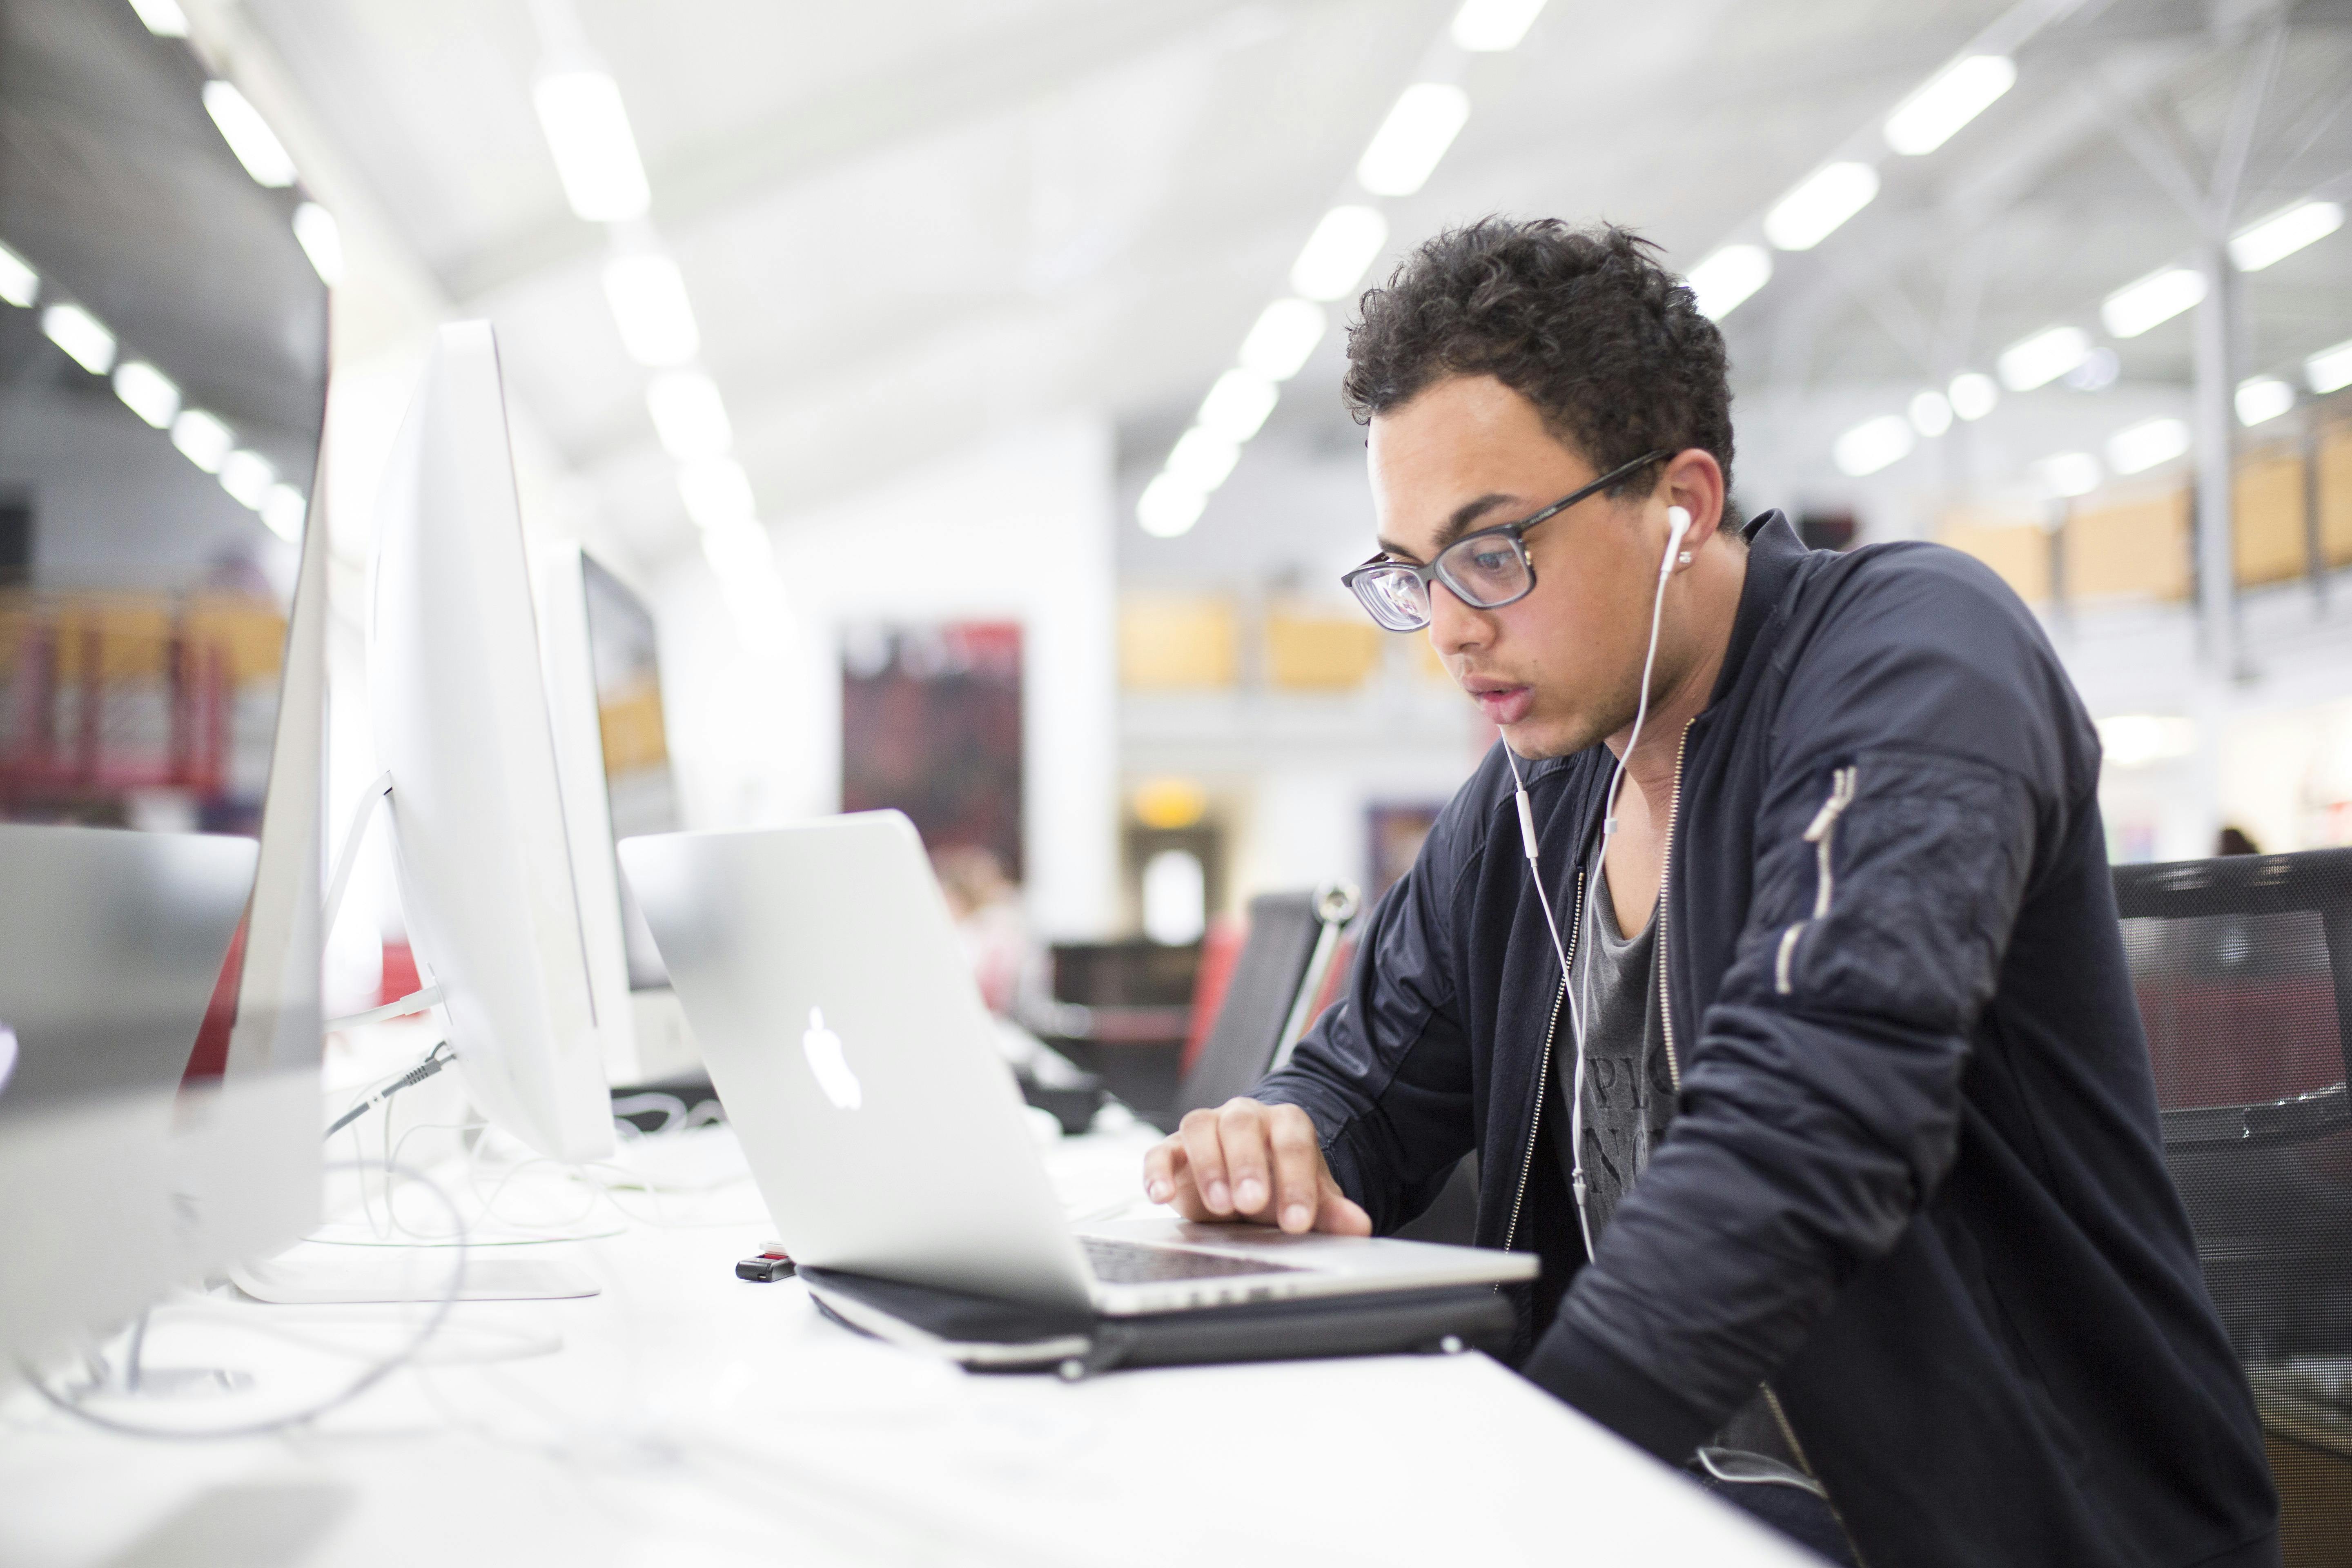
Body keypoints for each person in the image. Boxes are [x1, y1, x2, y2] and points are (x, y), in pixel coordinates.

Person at [1141, 220, 2277, 1568]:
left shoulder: (1915, 660)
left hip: (1984, 1525)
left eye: (1492, 552)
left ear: (1680, 506)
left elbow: (1815, 1117)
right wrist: (1274, 1141)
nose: (1448, 625)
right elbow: (1361, 1089)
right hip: (1675, 1500)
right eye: (1412, 573)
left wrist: (1528, 1473)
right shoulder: (1536, 796)